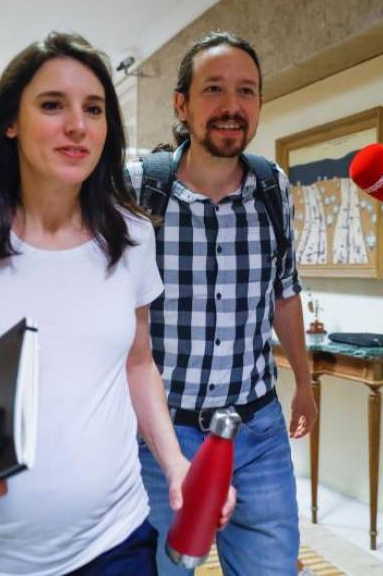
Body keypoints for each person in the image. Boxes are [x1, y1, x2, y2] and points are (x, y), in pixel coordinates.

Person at [0, 32, 232, 575]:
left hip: (113, 543)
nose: (77, 125)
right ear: (11, 121)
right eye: (53, 105)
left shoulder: (132, 233)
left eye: (93, 109)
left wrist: (174, 462)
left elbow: (138, 364)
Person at [125, 31, 317, 575]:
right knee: (158, 567)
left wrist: (303, 382)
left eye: (247, 91)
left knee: (272, 568)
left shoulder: (272, 186)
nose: (232, 107)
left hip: (256, 432)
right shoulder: (137, 189)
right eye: (214, 90)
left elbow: (285, 290)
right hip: (160, 434)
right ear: (181, 105)